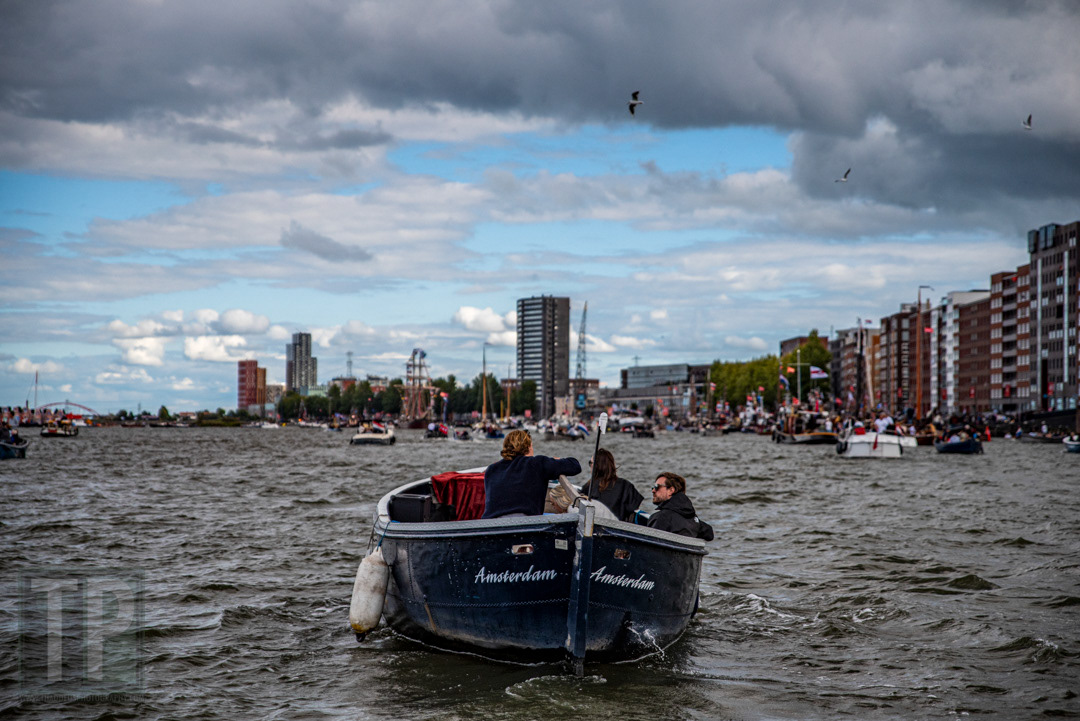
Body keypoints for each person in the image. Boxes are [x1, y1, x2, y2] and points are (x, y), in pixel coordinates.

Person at [482, 430, 581, 519]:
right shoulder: (536, 463)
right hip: (524, 525)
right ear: (528, 447)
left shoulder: (491, 469)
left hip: (491, 525)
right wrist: (558, 461)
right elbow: (575, 466)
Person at [578, 448, 644, 523]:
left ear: (597, 466)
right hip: (618, 528)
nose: (590, 466)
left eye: (590, 463)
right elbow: (634, 507)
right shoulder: (626, 485)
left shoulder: (589, 486)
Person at [646, 472, 714, 541]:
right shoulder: (691, 518)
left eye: (657, 487)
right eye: (653, 487)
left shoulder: (660, 517)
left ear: (671, 490)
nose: (653, 490)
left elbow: (649, 543)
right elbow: (709, 533)